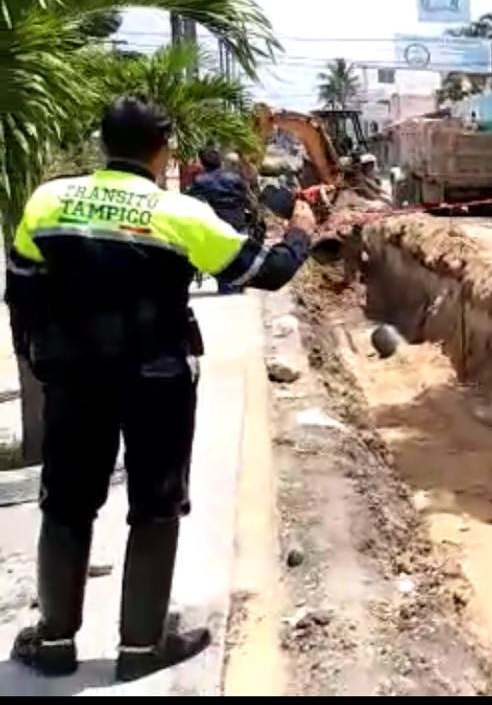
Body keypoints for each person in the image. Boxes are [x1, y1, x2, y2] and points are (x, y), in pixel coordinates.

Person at [5, 96, 317, 682]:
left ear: (102, 144)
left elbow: (20, 289)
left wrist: (38, 357)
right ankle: (140, 648)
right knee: (155, 505)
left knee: (66, 503)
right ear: (163, 147)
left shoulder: (48, 202)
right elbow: (264, 273)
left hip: (72, 378)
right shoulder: (180, 214)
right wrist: (300, 232)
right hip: (157, 379)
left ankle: (52, 642)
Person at [185, 147, 255, 294]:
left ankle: (227, 285)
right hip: (238, 220)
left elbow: (188, 199)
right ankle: (239, 282)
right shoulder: (235, 177)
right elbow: (247, 197)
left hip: (218, 223)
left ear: (202, 163)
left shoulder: (201, 181)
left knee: (221, 256)